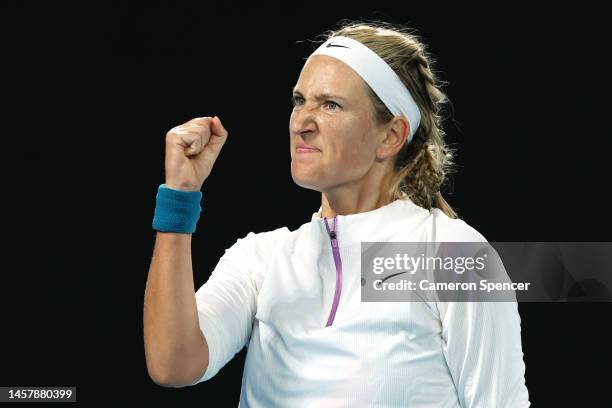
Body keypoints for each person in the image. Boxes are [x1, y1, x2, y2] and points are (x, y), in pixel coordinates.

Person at [144, 21, 530, 407]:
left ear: (391, 136)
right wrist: (180, 198)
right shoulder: (260, 259)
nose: (302, 123)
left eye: (330, 105)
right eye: (299, 101)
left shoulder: (453, 255)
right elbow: (173, 364)